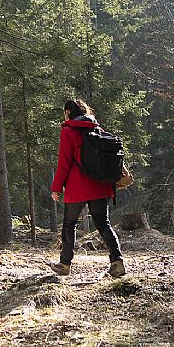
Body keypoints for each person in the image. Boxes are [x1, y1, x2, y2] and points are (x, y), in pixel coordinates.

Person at [49, 99, 126, 278]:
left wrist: (56, 187)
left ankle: (64, 265)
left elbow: (64, 163)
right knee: (103, 223)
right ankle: (117, 262)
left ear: (68, 112)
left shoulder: (68, 132)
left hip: (78, 187)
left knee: (69, 224)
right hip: (100, 185)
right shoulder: (97, 129)